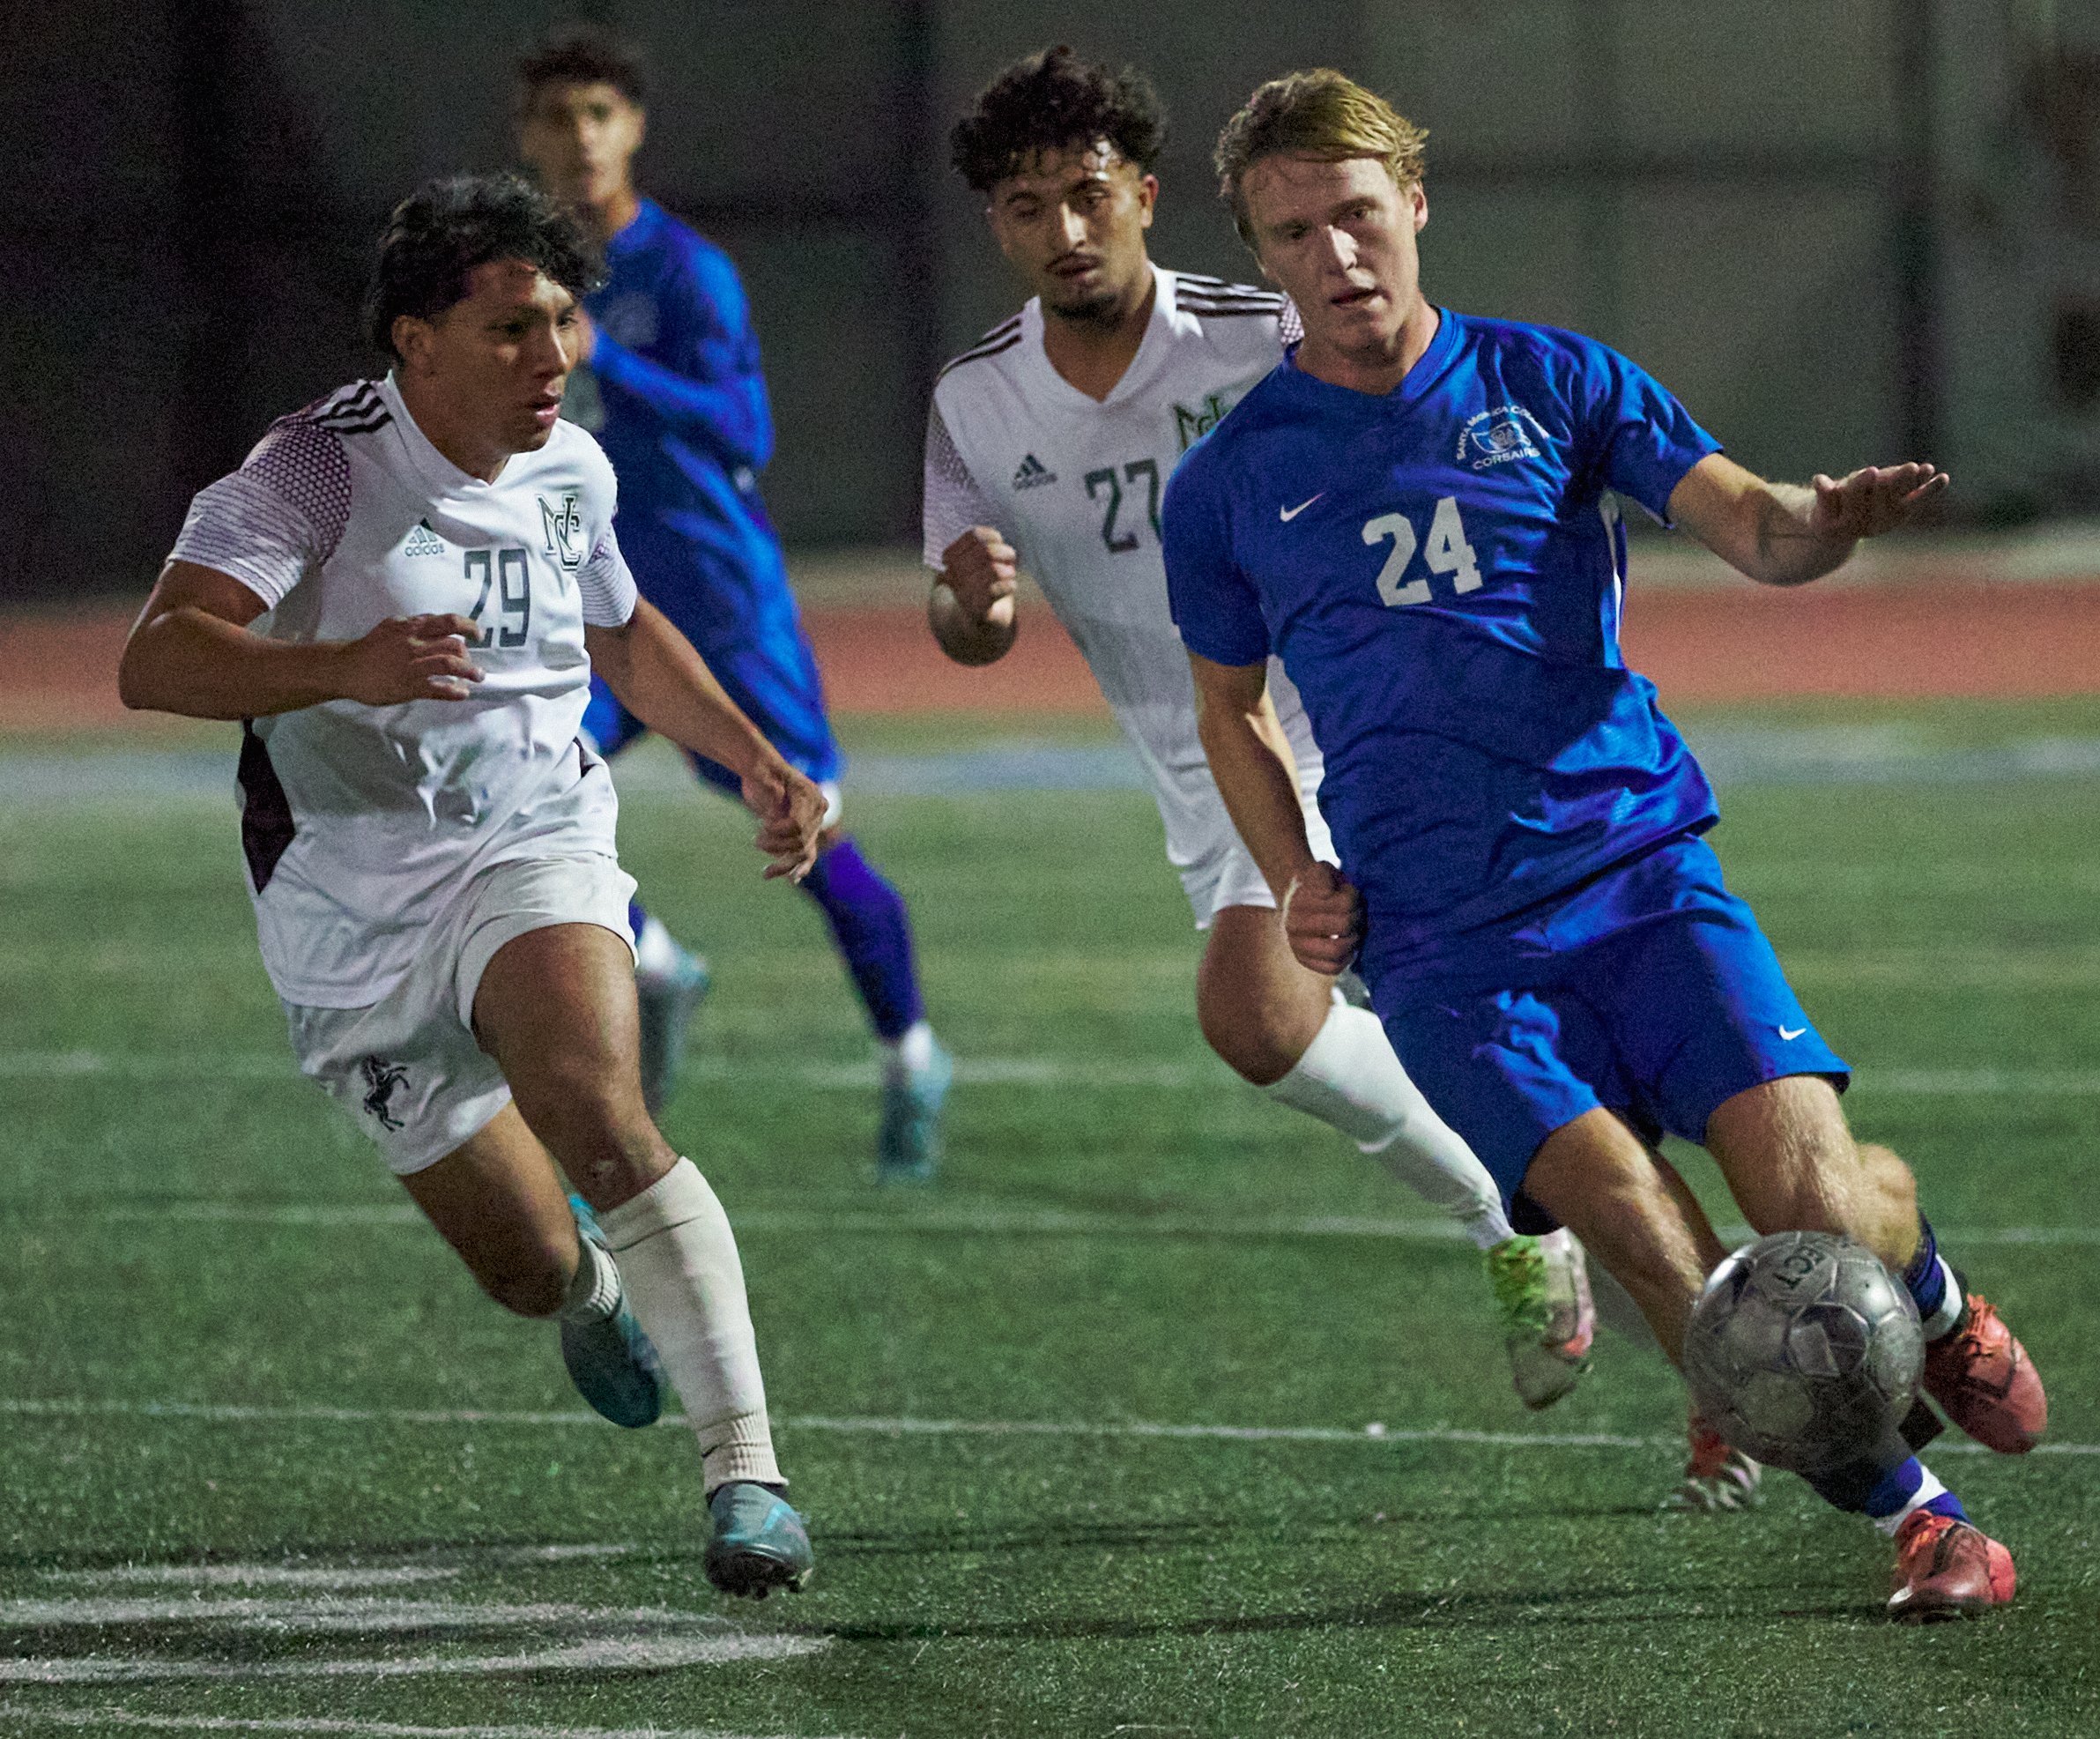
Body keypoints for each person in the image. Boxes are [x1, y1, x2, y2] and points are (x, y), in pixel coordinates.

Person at [1162, 70, 2047, 1618]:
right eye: (1293, 233)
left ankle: (1939, 1298)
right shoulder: (1233, 480)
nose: (1336, 255)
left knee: (1821, 1211)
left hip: (1641, 876)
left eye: (1357, 215)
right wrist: (1297, 869)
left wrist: (1818, 521)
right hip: (1442, 949)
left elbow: (1751, 525)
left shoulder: (1555, 381)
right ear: (1261, 253)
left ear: (1414, 206)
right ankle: (1925, 1518)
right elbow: (1226, 710)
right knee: (1669, 1259)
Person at [118, 173, 821, 1600]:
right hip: (348, 899)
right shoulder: (310, 471)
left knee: (599, 1108)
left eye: (562, 319)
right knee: (522, 1262)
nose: (551, 357)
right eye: (509, 329)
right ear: (413, 342)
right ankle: (590, 1291)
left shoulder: (574, 467)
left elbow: (620, 639)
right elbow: (159, 656)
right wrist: (337, 666)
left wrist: (754, 755)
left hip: (530, 837)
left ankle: (746, 1470)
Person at [924, 48, 1594, 1409]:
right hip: (1197, 761)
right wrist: (975, 610)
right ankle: (1559, 1217)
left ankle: (1542, 1222)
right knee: (1435, 1034)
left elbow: (1413, 395)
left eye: (1084, 194)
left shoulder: (1254, 329)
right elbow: (964, 625)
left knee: (1257, 1009)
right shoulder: (973, 402)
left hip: (1347, 721)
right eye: (1022, 206)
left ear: (1146, 196)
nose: (1059, 230)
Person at [516, 26, 950, 1175]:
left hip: (714, 601)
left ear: (633, 129)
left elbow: (744, 430)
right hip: (586, 599)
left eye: (598, 115)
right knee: (511, 786)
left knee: (808, 831)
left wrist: (611, 358)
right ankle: (654, 961)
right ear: (529, 138)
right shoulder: (512, 279)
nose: (579, 139)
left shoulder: (685, 273)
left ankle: (908, 1052)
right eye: (557, 119)